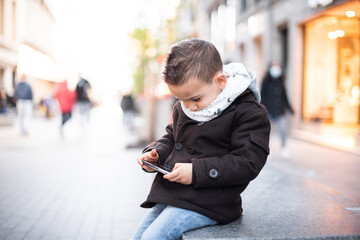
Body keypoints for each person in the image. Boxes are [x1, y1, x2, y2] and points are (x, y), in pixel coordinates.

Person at [133, 39, 270, 239]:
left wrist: (197, 172)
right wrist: (155, 154)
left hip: (211, 203)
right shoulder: (187, 104)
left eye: (196, 99)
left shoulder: (249, 112)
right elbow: (173, 136)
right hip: (174, 194)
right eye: (181, 99)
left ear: (220, 81)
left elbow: (248, 163)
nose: (189, 107)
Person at [260, 61, 294, 158]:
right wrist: (262, 108)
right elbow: (262, 96)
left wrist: (290, 109)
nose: (276, 69)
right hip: (268, 110)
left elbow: (284, 97)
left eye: (277, 66)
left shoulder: (281, 81)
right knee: (266, 131)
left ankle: (283, 148)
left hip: (280, 110)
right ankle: (266, 150)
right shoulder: (266, 81)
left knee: (283, 129)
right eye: (274, 66)